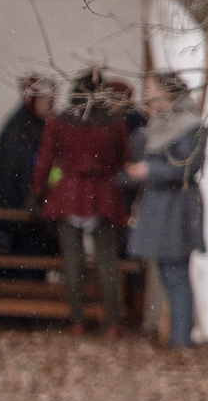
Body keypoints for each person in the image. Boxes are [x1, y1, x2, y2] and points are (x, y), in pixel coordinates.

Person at [30, 70, 132, 333]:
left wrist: (37, 192)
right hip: (104, 194)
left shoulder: (60, 122)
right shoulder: (115, 123)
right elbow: (123, 161)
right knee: (106, 261)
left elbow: (45, 160)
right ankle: (113, 321)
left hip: (69, 192)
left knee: (73, 260)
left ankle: (77, 319)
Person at [127, 70, 208, 348]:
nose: (148, 96)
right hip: (160, 204)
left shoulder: (189, 125)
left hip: (177, 206)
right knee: (167, 271)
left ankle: (181, 338)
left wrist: (151, 170)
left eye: (153, 90)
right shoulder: (159, 124)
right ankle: (178, 334)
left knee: (175, 272)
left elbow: (188, 168)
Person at [0, 74, 57, 256]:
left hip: (28, 206)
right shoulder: (21, 128)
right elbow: (12, 171)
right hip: (11, 207)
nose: (49, 106)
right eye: (44, 100)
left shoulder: (43, 127)